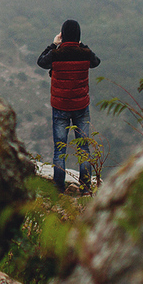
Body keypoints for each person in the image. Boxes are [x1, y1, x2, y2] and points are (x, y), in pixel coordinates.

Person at [36, 19, 100, 194]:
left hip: (60, 107)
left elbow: (41, 62)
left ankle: (58, 189)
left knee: (60, 149)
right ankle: (86, 188)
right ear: (78, 36)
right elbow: (96, 62)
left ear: (62, 35)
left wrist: (54, 44)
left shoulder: (56, 54)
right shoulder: (85, 53)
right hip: (81, 107)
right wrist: (81, 44)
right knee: (84, 148)